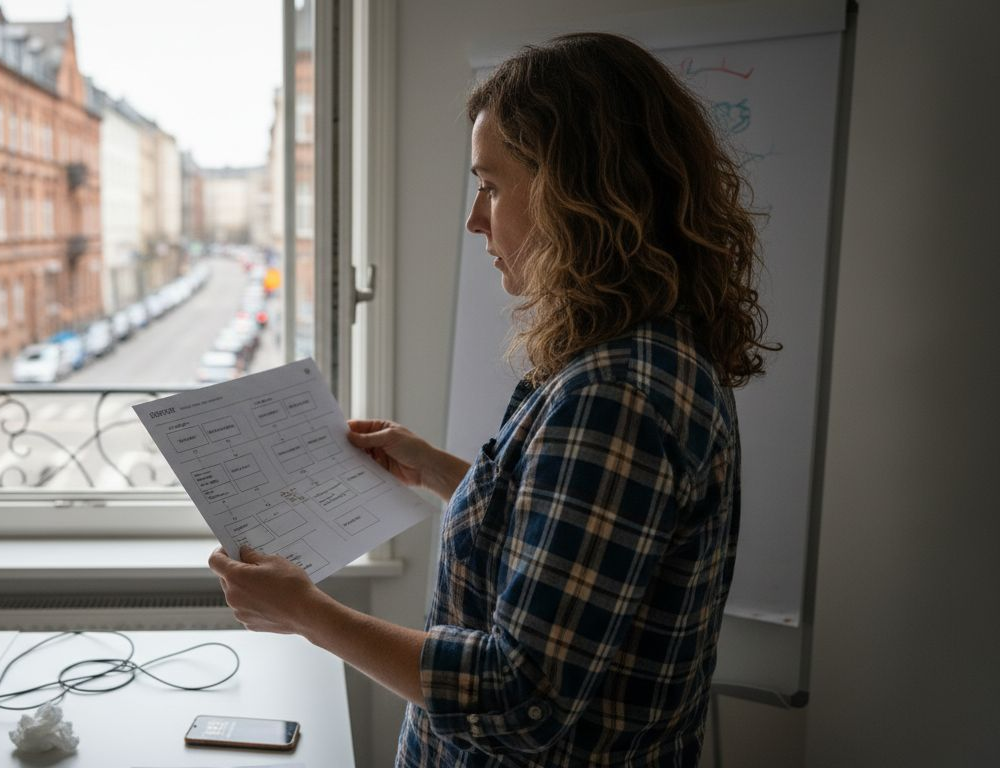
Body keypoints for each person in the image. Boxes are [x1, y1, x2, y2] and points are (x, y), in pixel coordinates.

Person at [208, 32, 775, 767]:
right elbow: (559, 534)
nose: (477, 219)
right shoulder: (638, 352)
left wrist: (306, 613)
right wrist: (435, 467)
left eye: (493, 184)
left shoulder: (613, 396)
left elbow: (518, 697)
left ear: (583, 193)